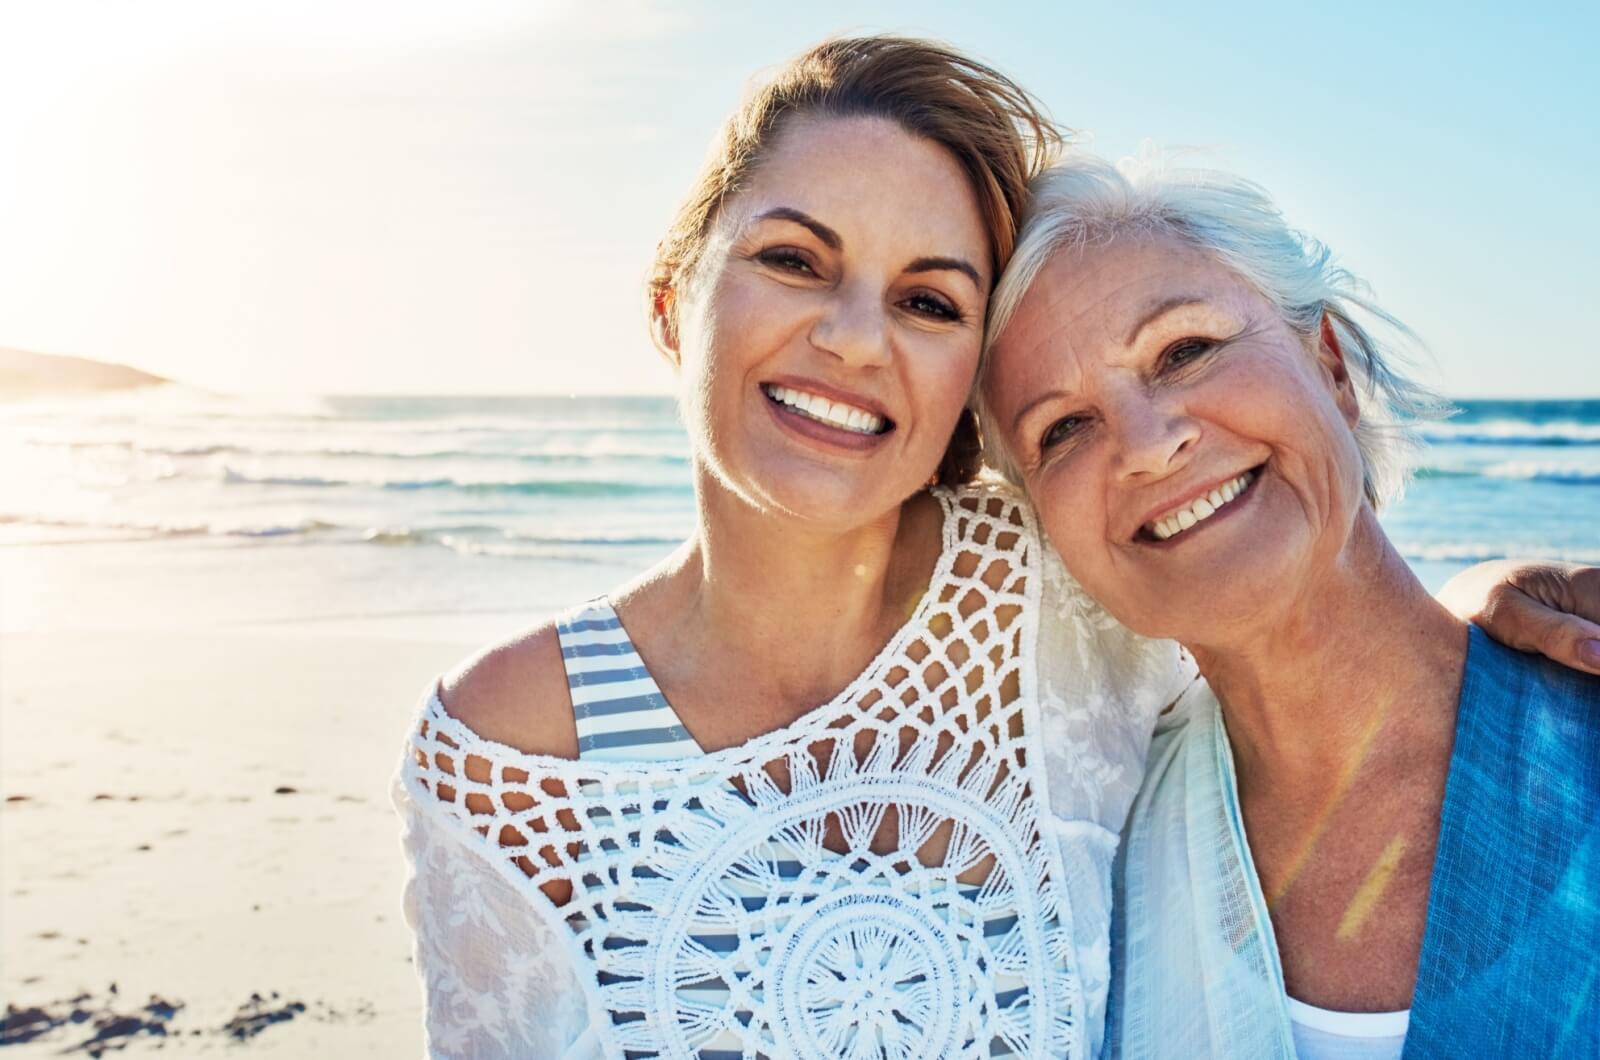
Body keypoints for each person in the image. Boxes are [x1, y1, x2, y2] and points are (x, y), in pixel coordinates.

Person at [979, 152, 1600, 1058]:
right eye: (1063, 429)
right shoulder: (1082, 851)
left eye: (1184, 350)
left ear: (1332, 367)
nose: (1150, 447)